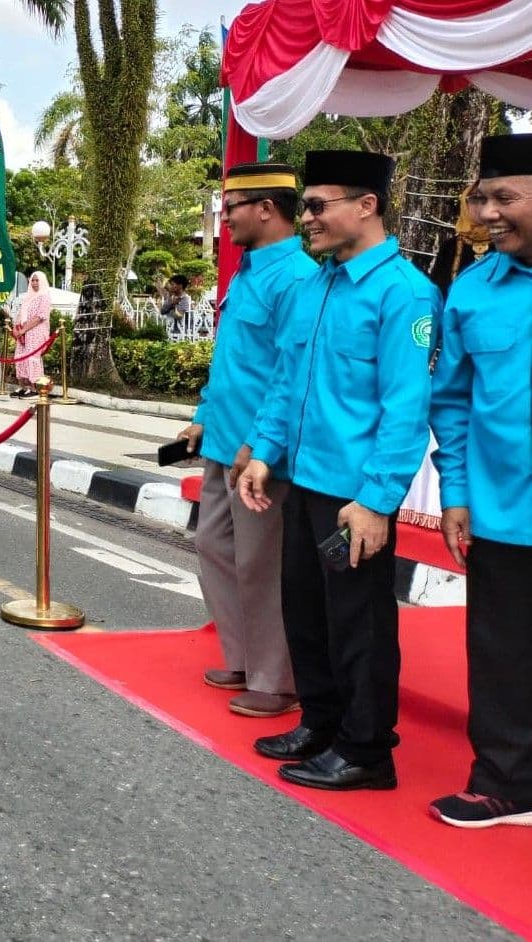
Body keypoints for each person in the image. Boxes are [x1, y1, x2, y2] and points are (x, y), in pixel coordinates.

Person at [238, 150, 438, 791]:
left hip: (354, 494)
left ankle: (366, 749)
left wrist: (378, 501)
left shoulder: (404, 294)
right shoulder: (314, 286)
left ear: (367, 206)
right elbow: (283, 380)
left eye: (319, 206)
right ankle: (321, 723)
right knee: (306, 610)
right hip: (304, 480)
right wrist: (264, 452)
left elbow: (405, 411)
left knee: (360, 623)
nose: (308, 220)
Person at [176, 162, 316, 719]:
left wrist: (261, 444)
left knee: (263, 563)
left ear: (265, 208)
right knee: (214, 547)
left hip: (260, 455)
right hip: (222, 441)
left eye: (231, 206)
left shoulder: (297, 278)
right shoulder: (246, 272)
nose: (224, 216)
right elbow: (231, 359)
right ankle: (241, 654)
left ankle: (275, 678)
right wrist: (203, 415)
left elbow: (290, 372)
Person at [427, 134, 532, 828]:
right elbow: (451, 401)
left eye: (504, 197)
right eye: (480, 198)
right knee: (500, 652)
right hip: (501, 508)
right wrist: (456, 492)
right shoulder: (470, 290)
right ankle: (503, 781)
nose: (487, 212)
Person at [10, 271, 55, 398]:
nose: (34, 283)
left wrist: (24, 330)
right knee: (20, 356)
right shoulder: (28, 296)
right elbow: (20, 314)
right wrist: (16, 328)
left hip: (36, 332)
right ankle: (23, 387)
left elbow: (40, 317)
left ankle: (34, 387)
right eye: (32, 280)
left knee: (32, 357)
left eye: (37, 280)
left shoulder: (44, 296)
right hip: (23, 332)